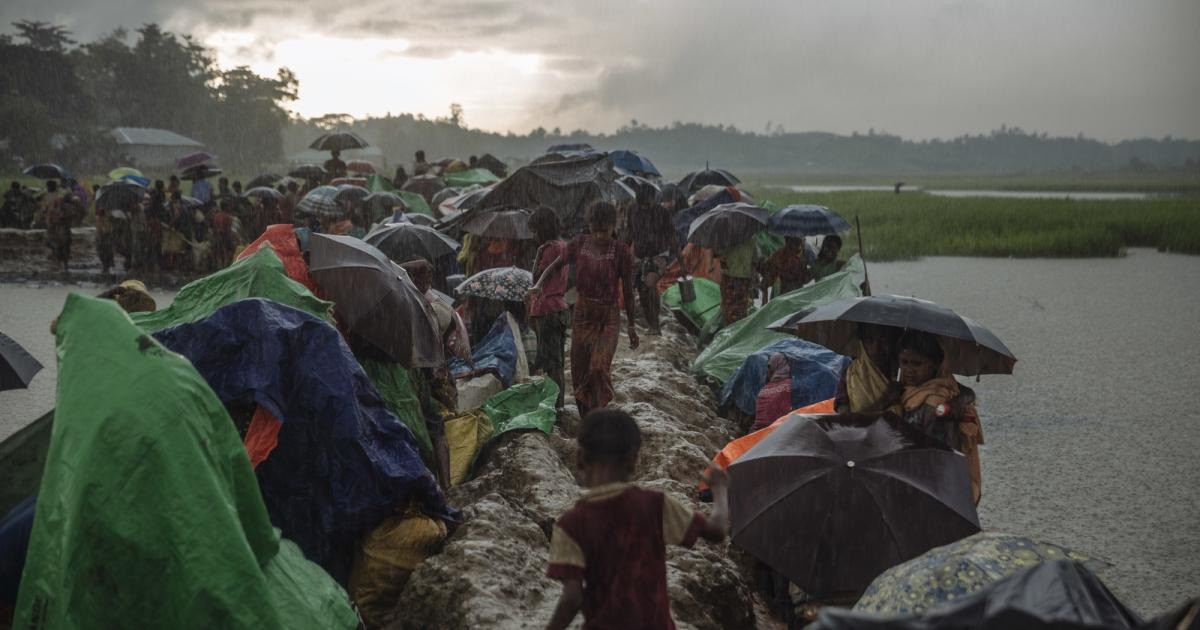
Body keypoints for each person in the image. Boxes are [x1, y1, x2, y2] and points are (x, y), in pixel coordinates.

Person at [546, 408, 729, 630]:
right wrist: (719, 489)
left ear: (580, 458)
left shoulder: (570, 524)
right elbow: (716, 531)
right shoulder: (655, 504)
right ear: (633, 460)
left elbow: (571, 598)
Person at [530, 202, 638, 416]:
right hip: (583, 312)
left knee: (598, 367)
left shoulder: (621, 252)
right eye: (594, 230)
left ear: (613, 227)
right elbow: (556, 265)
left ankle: (598, 411)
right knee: (579, 368)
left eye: (604, 231)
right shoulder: (579, 244)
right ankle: (585, 415)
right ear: (589, 226)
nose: (598, 236)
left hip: (608, 315)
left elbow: (627, 289)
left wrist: (632, 325)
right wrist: (538, 284)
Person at [890, 330, 984, 504]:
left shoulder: (935, 402)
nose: (909, 370)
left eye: (917, 364)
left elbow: (941, 457)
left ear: (934, 365)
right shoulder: (905, 392)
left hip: (933, 487)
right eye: (904, 363)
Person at [528, 206, 569, 410]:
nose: (533, 236)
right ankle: (557, 403)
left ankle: (556, 406)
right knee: (557, 361)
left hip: (548, 310)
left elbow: (539, 277)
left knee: (552, 364)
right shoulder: (562, 246)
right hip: (559, 308)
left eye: (535, 231)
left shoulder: (550, 249)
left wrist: (537, 256)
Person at [627, 188, 676, 335]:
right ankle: (651, 323)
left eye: (647, 205)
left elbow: (671, 236)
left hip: (659, 254)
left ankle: (655, 324)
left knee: (650, 284)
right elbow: (629, 231)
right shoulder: (633, 211)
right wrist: (622, 249)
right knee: (642, 290)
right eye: (642, 205)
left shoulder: (662, 213)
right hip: (640, 255)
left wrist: (680, 259)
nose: (644, 208)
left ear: (653, 200)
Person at [833, 323, 902, 414]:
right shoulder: (851, 374)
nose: (876, 349)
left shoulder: (904, 372)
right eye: (869, 340)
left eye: (883, 340)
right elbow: (846, 420)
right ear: (862, 342)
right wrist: (884, 401)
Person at [715, 236, 757, 327]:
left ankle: (729, 331)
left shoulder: (728, 236)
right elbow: (754, 261)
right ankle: (738, 331)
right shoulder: (752, 238)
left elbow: (720, 257)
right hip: (744, 279)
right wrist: (753, 283)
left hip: (730, 278)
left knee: (729, 308)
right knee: (741, 308)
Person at [751, 353, 793, 432]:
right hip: (781, 430)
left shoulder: (764, 389)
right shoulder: (790, 385)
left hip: (759, 431)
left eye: (769, 367)